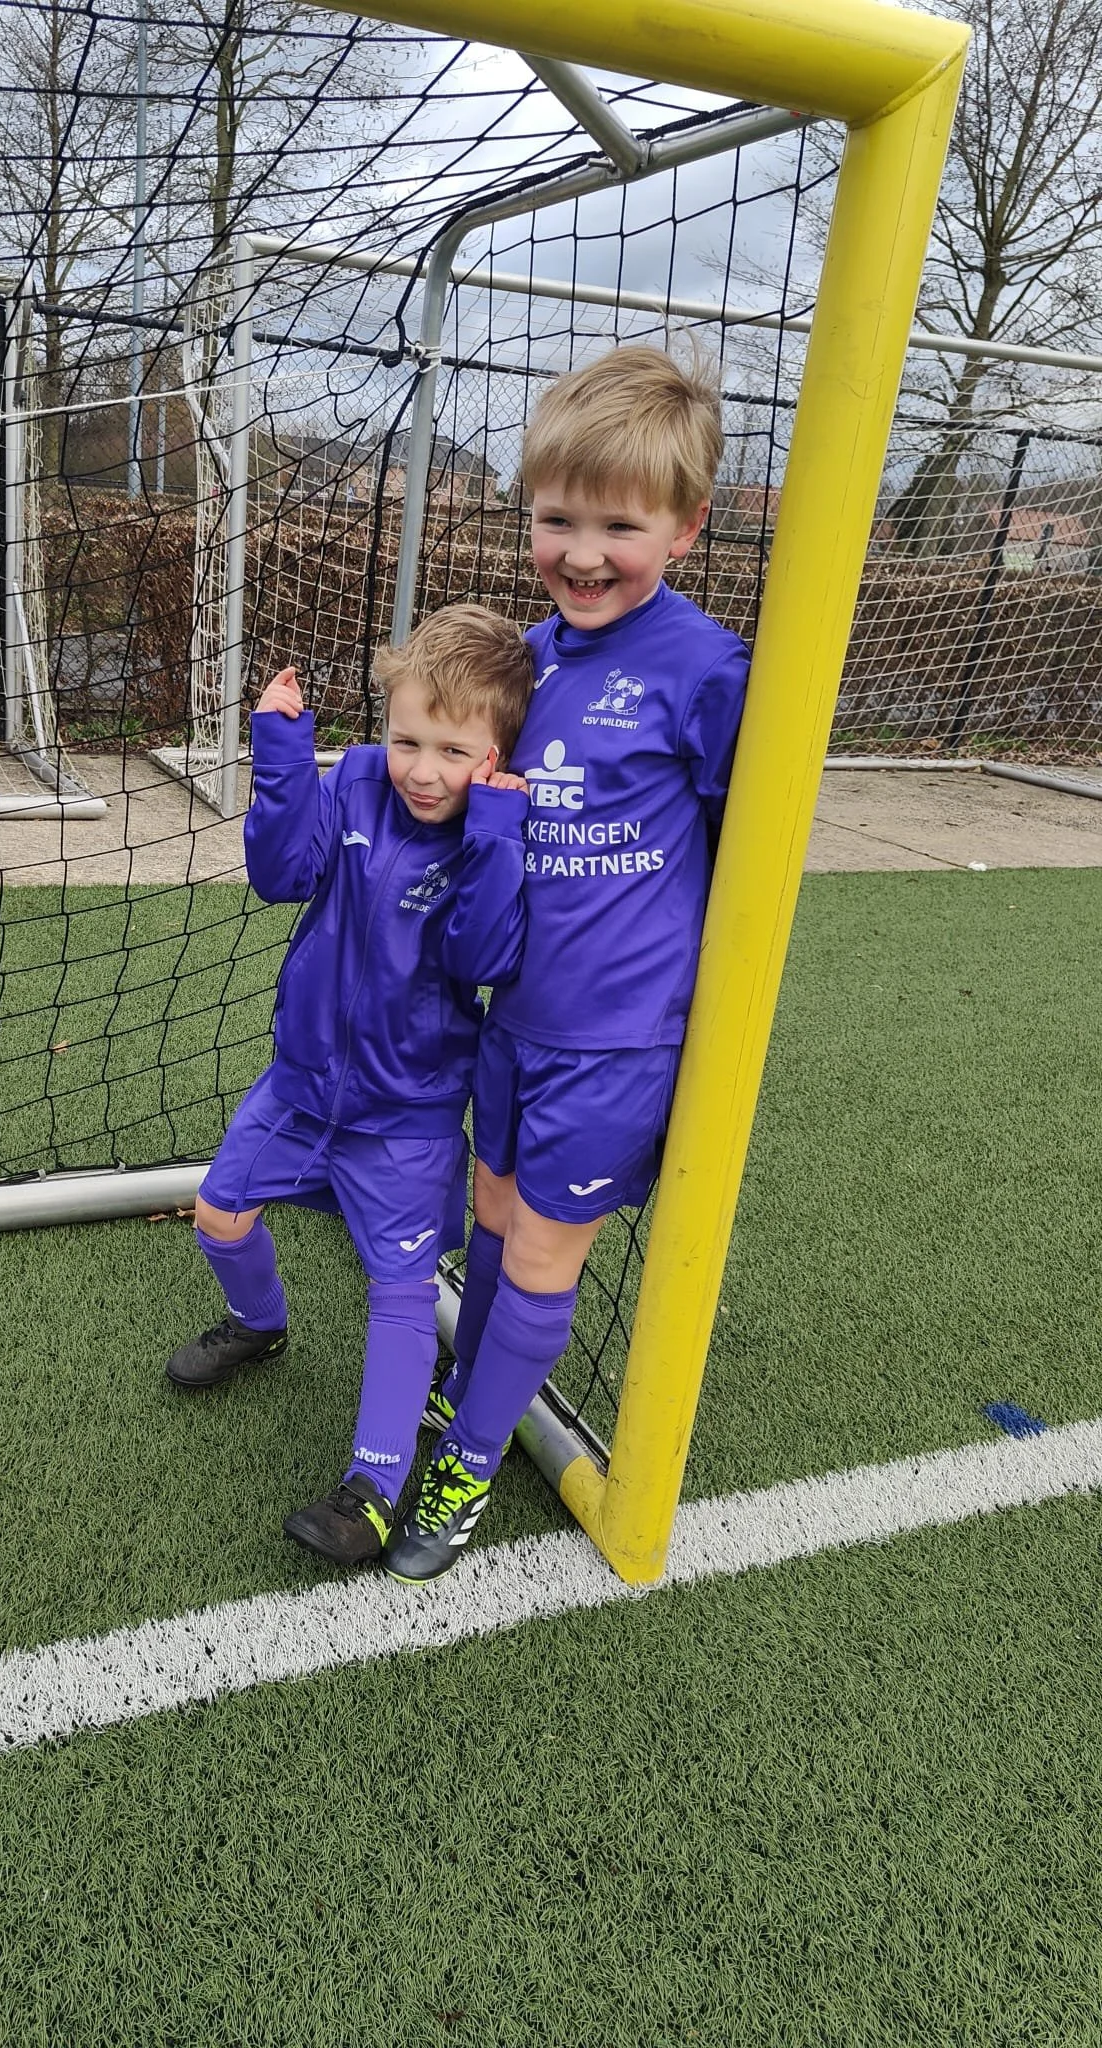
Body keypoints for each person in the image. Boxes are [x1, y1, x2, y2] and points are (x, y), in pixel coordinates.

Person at [381, 344, 752, 1585]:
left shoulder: (708, 672)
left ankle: (469, 1462)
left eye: (619, 524)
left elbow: (749, 839)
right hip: (511, 1021)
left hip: (615, 1043)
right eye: (557, 517)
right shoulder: (530, 661)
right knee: (487, 1224)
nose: (583, 551)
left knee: (543, 1254)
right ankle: (465, 1399)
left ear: (687, 527)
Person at [164, 604, 534, 1567]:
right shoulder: (363, 781)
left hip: (404, 1120)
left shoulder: (490, 830)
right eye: (406, 738)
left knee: (402, 1293)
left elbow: (485, 954)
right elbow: (281, 874)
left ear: (494, 755)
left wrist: (495, 827)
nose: (421, 768)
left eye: (453, 752)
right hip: (297, 1088)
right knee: (218, 1216)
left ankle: (374, 1486)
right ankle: (261, 1324)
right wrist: (284, 753)